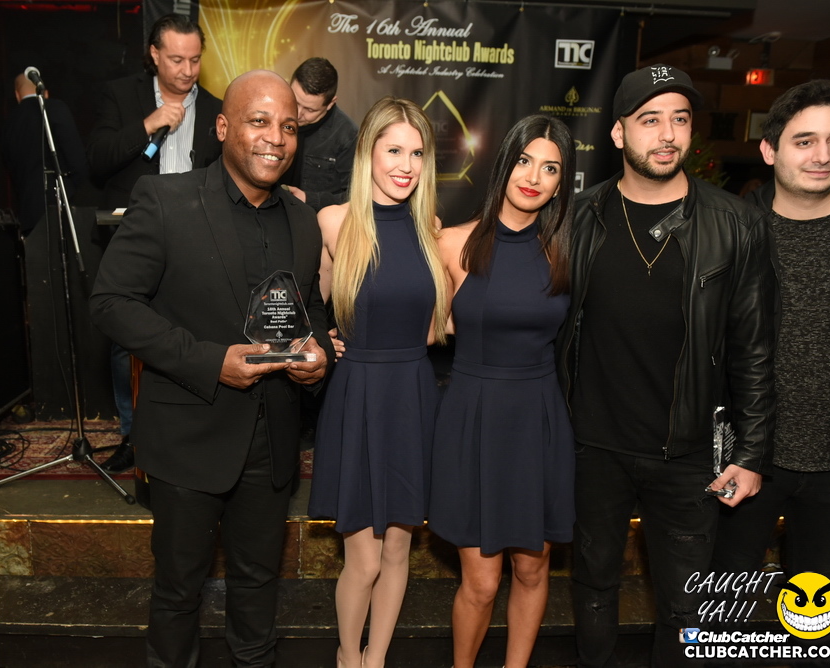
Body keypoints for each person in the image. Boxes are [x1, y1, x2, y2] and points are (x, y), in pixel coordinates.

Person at [90, 69, 331, 668]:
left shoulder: (303, 221)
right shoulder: (165, 200)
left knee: (259, 587)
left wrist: (317, 354)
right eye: (259, 121)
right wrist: (208, 361)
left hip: (272, 442)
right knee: (178, 592)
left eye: (289, 127)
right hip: (188, 438)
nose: (276, 137)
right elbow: (111, 302)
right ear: (223, 127)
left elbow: (308, 310)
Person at [556, 64, 776, 667]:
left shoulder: (735, 223)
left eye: (680, 119)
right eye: (650, 120)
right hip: (592, 446)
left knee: (686, 607)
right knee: (593, 586)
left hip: (689, 453)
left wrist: (751, 452)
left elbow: (755, 349)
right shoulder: (578, 216)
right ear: (619, 133)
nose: (668, 134)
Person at [429, 115, 576, 668]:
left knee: (533, 568)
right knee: (482, 581)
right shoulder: (452, 243)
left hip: (538, 420)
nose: (534, 177)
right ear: (504, 165)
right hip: (473, 418)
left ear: (561, 183)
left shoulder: (565, 251)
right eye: (524, 161)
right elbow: (420, 322)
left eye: (550, 168)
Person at [308, 96, 449, 668]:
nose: (406, 165)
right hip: (358, 396)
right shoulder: (334, 222)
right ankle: (349, 658)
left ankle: (377, 659)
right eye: (394, 150)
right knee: (363, 561)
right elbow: (309, 306)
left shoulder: (430, 227)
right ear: (367, 151)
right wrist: (322, 339)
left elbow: (439, 324)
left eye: (417, 153)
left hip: (413, 395)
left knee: (397, 552)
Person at [713, 80, 830, 587]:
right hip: (746, 460)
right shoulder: (728, 232)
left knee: (821, 611)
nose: (823, 156)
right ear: (769, 150)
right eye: (805, 141)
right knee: (722, 603)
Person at [86, 13, 222, 473]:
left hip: (199, 238)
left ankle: (193, 433)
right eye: (177, 59)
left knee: (196, 332)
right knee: (128, 337)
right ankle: (133, 435)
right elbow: (97, 159)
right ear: (154, 55)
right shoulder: (121, 96)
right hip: (136, 236)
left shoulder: (217, 107)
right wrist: (149, 124)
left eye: (195, 60)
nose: (187, 70)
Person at [2, 72, 88, 235]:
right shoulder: (56, 108)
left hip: (28, 211)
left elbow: (9, 166)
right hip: (63, 207)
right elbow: (76, 159)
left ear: (17, 95)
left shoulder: (9, 122)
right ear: (45, 93)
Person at [282, 57, 358, 211]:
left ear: (330, 103)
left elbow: (356, 196)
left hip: (315, 220)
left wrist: (308, 199)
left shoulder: (347, 136)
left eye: (310, 110)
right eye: (295, 102)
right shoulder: (271, 114)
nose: (298, 113)